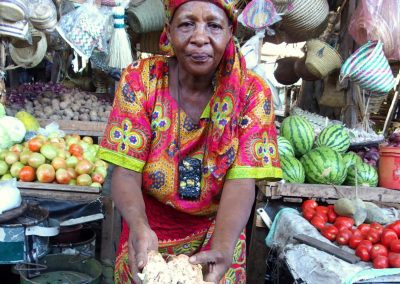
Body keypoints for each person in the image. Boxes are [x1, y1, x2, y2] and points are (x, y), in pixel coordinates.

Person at [97, 0, 282, 282]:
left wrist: (222, 247)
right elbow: (125, 171)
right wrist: (138, 226)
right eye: (186, 24)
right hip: (149, 234)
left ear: (230, 31)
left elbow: (242, 182)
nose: (199, 37)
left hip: (220, 233)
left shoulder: (251, 93)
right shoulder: (141, 80)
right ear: (168, 31)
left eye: (214, 25)